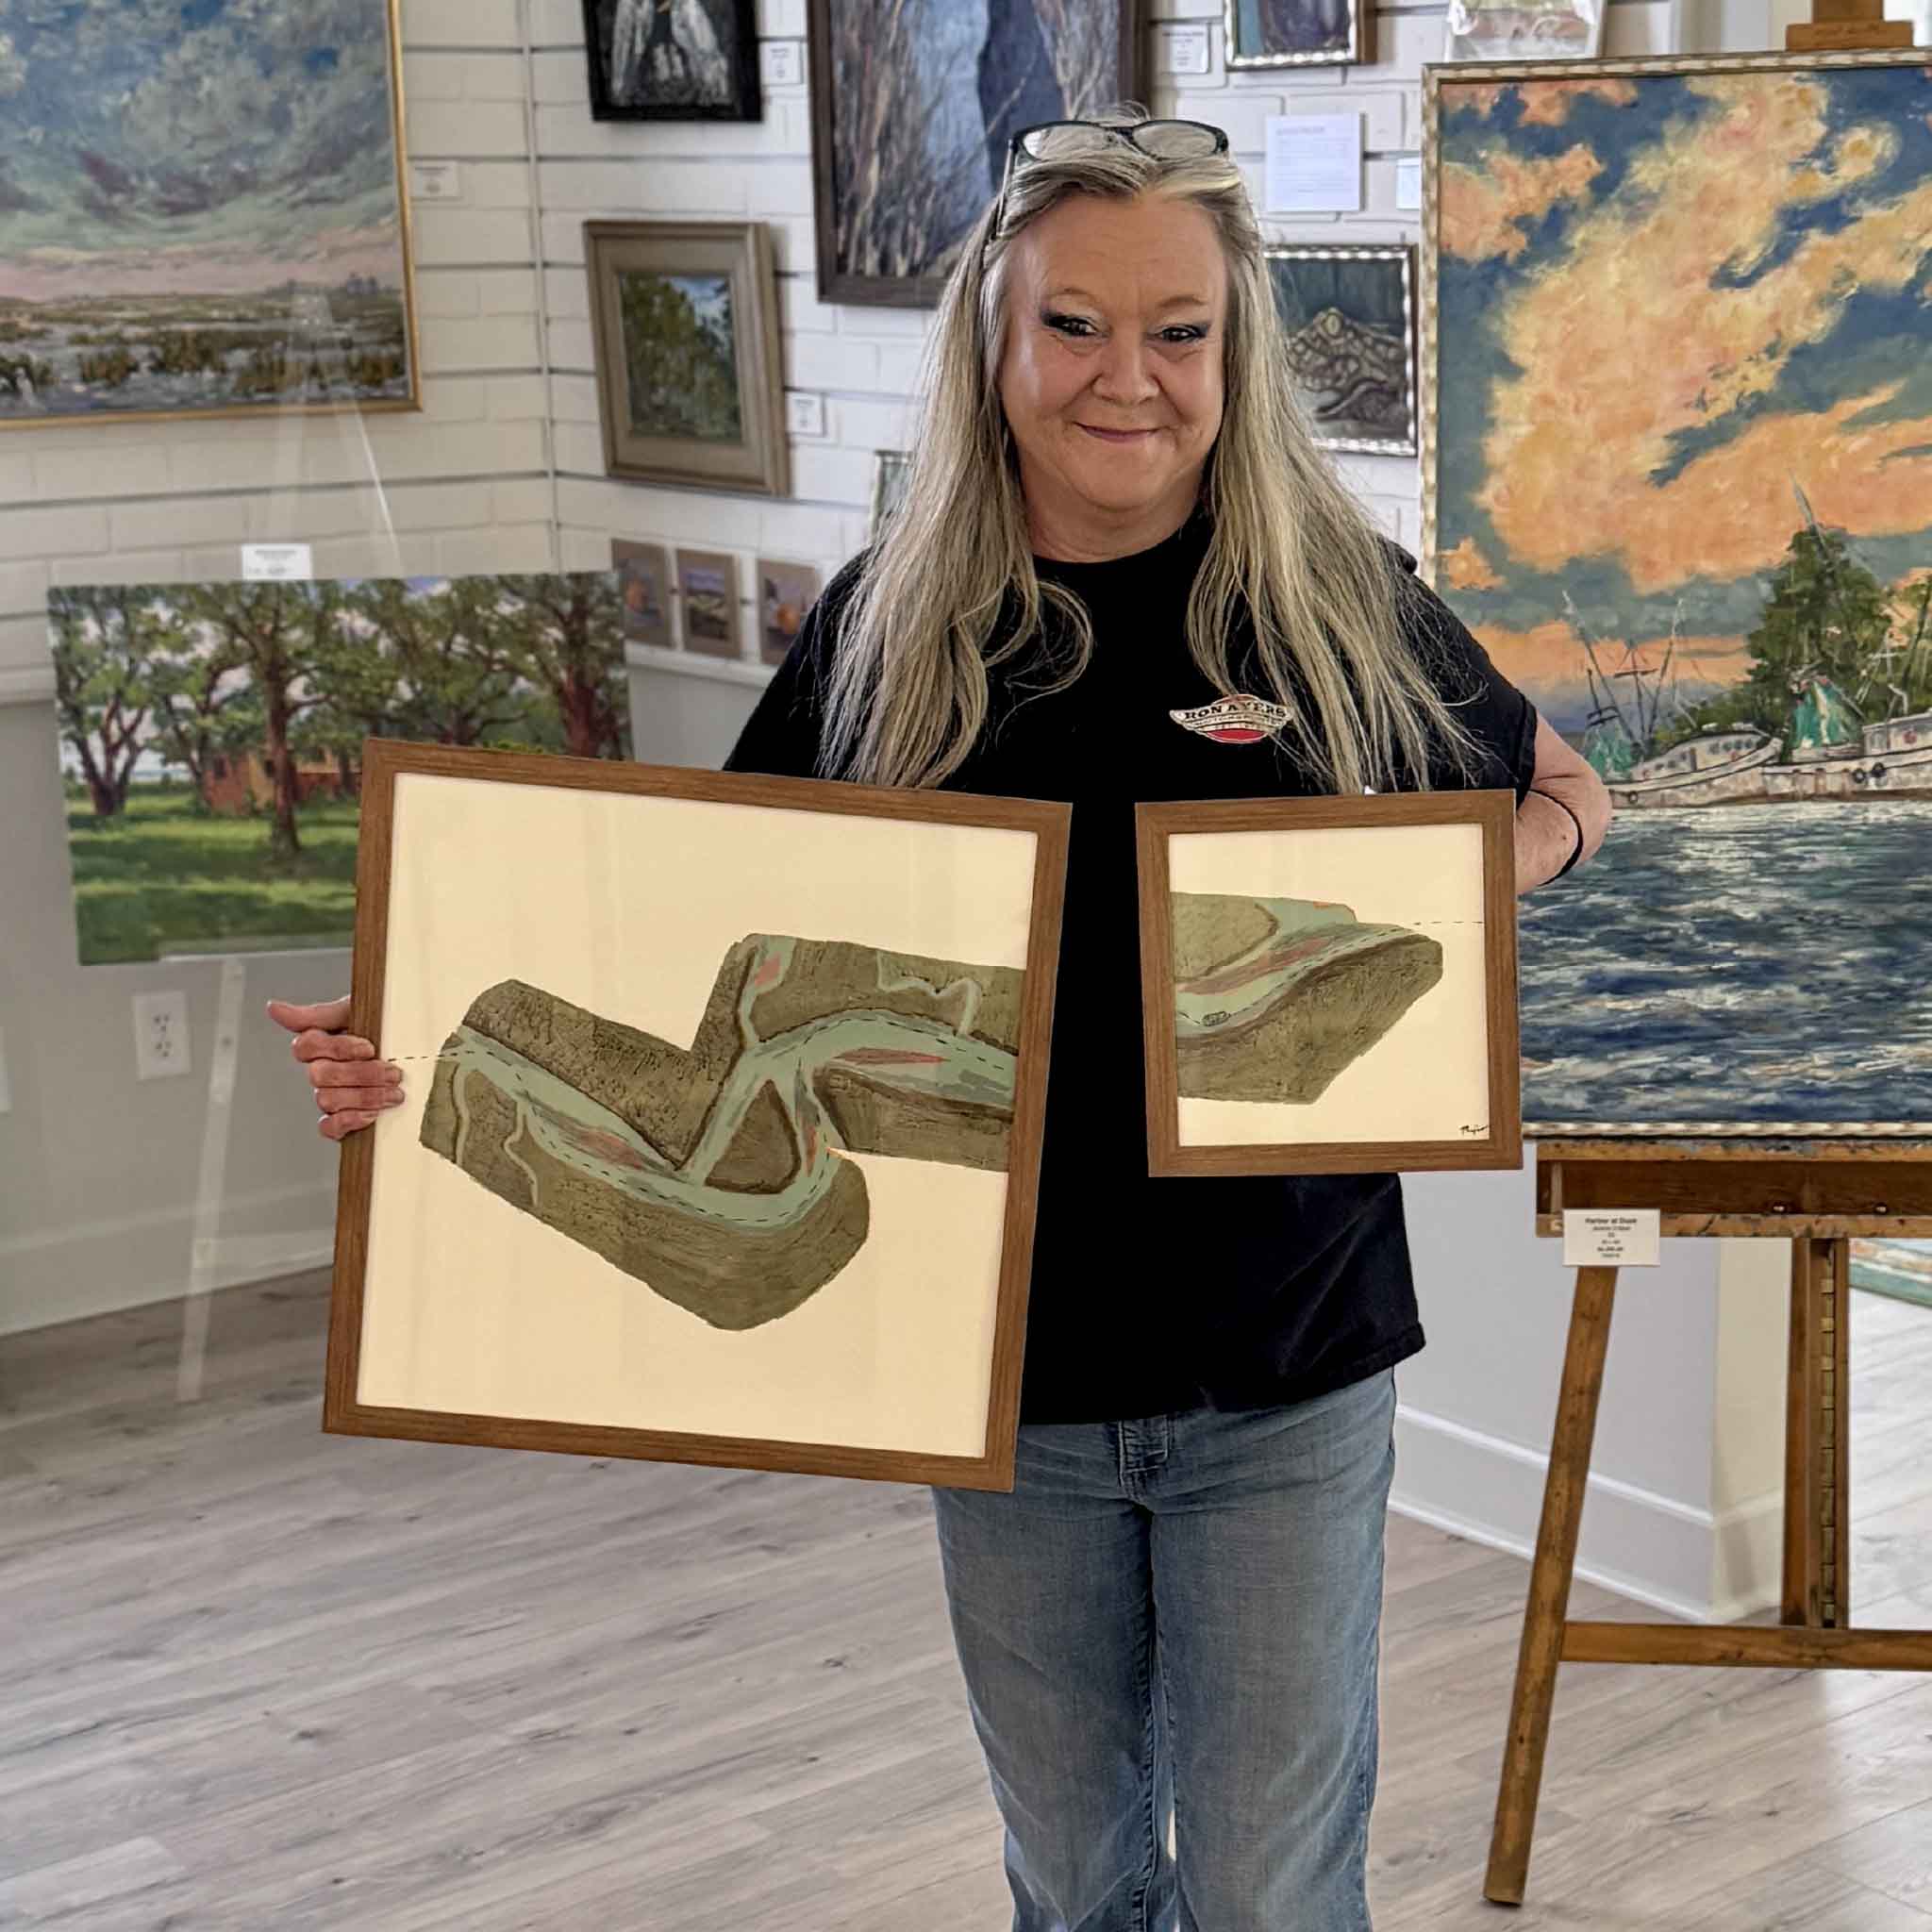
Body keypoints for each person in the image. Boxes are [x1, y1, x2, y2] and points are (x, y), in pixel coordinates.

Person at [271, 116, 1610, 1932]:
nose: (1127, 377)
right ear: (994, 338)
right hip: (1003, 1387)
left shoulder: (1332, 604)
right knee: (1069, 1874)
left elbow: (1562, 782)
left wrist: (1489, 873)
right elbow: (682, 923)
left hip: (1288, 1364)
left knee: (1273, 1882)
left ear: (1237, 349)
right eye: (1074, 324)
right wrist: (410, 1035)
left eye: (1180, 329)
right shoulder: (891, 627)